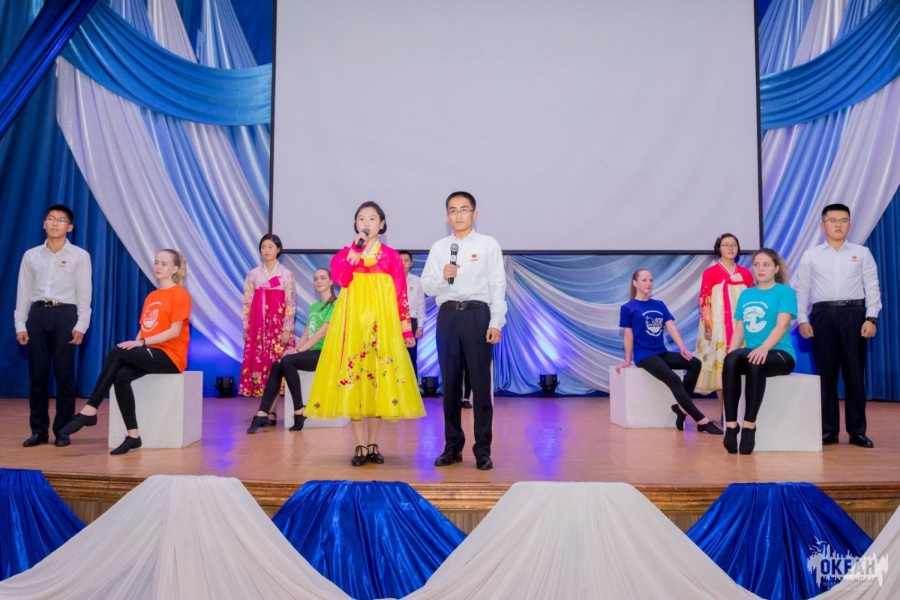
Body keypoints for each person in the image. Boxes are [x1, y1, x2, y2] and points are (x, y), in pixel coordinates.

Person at [305, 202, 425, 465]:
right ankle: (359, 445)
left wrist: (405, 328)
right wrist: (355, 252)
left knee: (378, 382)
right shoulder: (345, 254)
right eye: (361, 218)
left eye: (372, 218)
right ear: (356, 224)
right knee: (355, 382)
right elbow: (341, 279)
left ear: (381, 224)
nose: (367, 222)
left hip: (382, 328)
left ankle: (373, 443)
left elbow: (401, 294)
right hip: (353, 327)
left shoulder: (391, 256)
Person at [59, 250, 191, 455]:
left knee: (117, 352)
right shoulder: (152, 296)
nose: (158, 267)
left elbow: (174, 331)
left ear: (175, 268)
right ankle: (133, 435)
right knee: (121, 376)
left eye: (164, 264)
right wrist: (138, 343)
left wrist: (141, 343)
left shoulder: (180, 294)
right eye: (156, 262)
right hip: (150, 351)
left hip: (171, 356)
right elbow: (144, 328)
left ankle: (90, 409)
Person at [422, 191, 507, 471]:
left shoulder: (488, 245)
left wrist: (496, 322)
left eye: (464, 209)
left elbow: (498, 285)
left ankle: (482, 450)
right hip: (448, 317)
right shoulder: (439, 248)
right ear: (447, 216)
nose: (458, 215)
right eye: (453, 210)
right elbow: (427, 286)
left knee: (480, 386)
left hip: (477, 315)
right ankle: (452, 447)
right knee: (450, 386)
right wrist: (443, 277)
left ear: (474, 214)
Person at [796, 203, 881, 448]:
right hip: (822, 315)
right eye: (832, 220)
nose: (838, 225)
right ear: (823, 225)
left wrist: (871, 317)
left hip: (854, 314)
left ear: (849, 224)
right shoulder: (811, 255)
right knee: (827, 375)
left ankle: (857, 431)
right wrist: (803, 319)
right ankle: (829, 430)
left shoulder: (862, 253)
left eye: (843, 220)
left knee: (855, 376)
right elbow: (802, 288)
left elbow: (872, 286)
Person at [15, 205, 92, 448]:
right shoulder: (31, 255)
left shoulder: (80, 256)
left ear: (70, 227)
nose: (55, 223)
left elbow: (84, 293)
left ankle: (62, 430)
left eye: (61, 220)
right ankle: (38, 431)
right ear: (44, 224)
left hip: (65, 314)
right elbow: (23, 291)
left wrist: (81, 325)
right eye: (51, 218)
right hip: (38, 314)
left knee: (64, 375)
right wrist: (20, 324)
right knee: (37, 376)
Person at [615, 269, 723, 435]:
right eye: (644, 280)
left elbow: (671, 327)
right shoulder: (628, 308)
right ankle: (702, 421)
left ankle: (681, 409)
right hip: (644, 355)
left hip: (660, 352)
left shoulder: (659, 305)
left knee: (694, 363)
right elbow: (628, 336)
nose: (648, 283)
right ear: (635, 283)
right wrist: (628, 360)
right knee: (674, 379)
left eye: (650, 280)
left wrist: (683, 348)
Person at [722, 249, 797, 455]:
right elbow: (739, 329)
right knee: (731, 360)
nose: (760, 269)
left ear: (776, 268)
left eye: (766, 265)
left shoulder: (785, 292)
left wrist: (764, 347)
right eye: (756, 265)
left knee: (756, 363)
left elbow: (782, 325)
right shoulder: (746, 294)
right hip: (753, 351)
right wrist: (731, 355)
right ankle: (731, 426)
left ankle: (749, 426)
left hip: (780, 353)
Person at [247, 268, 336, 433]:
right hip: (312, 352)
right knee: (278, 364)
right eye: (315, 278)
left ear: (331, 281)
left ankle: (299, 409)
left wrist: (299, 352)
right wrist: (295, 349)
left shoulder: (336, 305)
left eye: (323, 278)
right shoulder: (314, 307)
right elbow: (307, 333)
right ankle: (263, 412)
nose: (318, 281)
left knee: (287, 361)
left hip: (327, 353)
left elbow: (322, 333)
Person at [695, 234, 753, 420]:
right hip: (719, 327)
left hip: (742, 326)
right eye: (726, 245)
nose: (730, 248)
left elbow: (752, 299)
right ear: (718, 248)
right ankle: (725, 413)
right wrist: (708, 327)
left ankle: (744, 412)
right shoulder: (711, 272)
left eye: (733, 244)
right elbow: (704, 300)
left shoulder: (745, 273)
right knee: (721, 370)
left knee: (743, 367)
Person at [238, 234, 296, 401]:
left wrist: (287, 329)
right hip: (257, 326)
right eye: (263, 247)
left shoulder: (286, 274)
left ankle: (273, 404)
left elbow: (290, 303)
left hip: (278, 326)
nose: (266, 250)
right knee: (258, 358)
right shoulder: (253, 275)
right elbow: (247, 302)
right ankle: (263, 402)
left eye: (270, 247)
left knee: (277, 362)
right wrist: (246, 326)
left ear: (278, 249)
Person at [399, 251, 426, 380]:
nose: (403, 263)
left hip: (411, 322)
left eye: (406, 260)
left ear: (411, 263)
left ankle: (413, 388)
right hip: (392, 321)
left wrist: (420, 326)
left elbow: (421, 305)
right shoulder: (389, 280)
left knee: (411, 357)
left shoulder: (417, 281)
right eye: (400, 260)